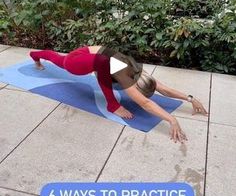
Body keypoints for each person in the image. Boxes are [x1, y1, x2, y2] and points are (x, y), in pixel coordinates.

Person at [30, 46, 208, 144]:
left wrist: (190, 98)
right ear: (136, 87)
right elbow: (145, 103)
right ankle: (112, 105)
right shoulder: (127, 79)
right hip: (79, 61)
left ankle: (35, 55)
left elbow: (164, 89)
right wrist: (171, 120)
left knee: (66, 59)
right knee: (62, 61)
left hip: (90, 53)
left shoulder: (141, 74)